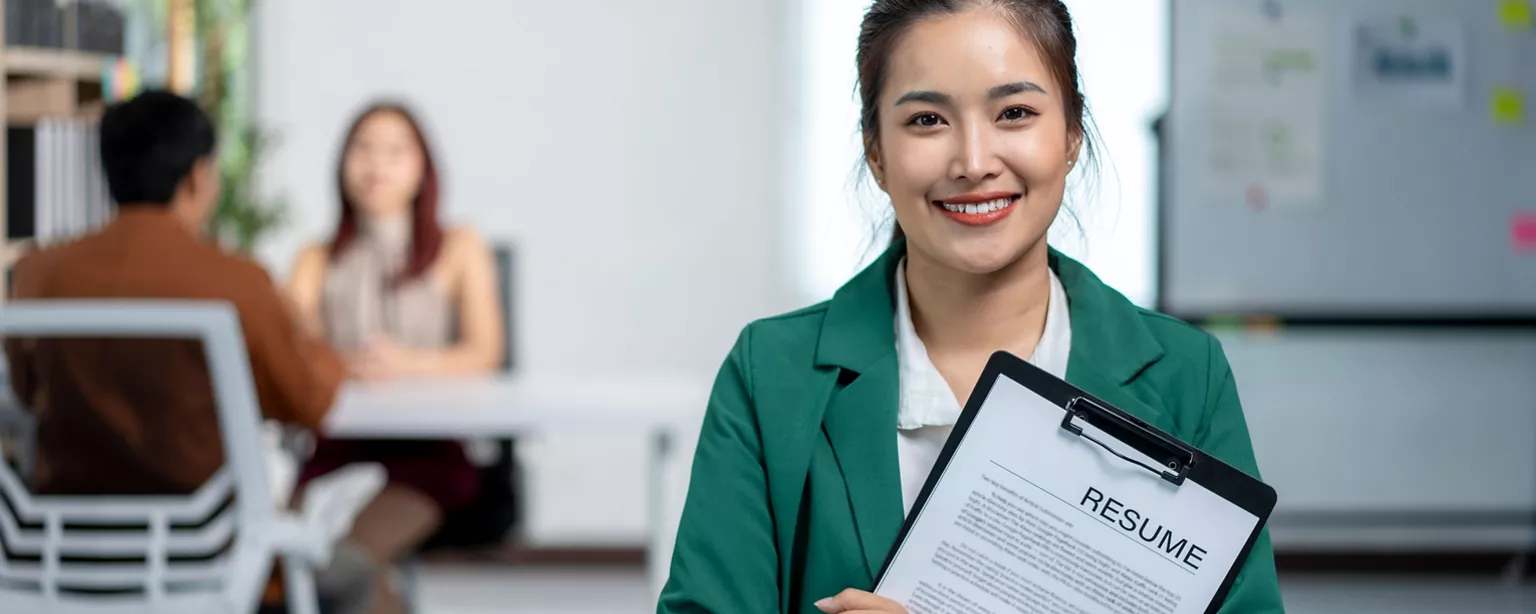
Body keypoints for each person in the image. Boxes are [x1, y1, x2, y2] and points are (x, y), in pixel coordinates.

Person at [657, 2, 1283, 613]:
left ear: (1070, 133)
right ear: (875, 152)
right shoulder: (771, 373)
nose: (974, 163)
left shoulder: (1185, 372)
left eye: (1014, 112)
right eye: (927, 120)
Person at [1, 90, 373, 613]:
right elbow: (309, 404)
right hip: (210, 555)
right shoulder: (236, 282)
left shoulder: (37, 274)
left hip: (63, 555)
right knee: (355, 576)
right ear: (198, 176)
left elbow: (24, 391)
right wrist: (326, 353)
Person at [285, 101, 504, 614]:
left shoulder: (459, 247)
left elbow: (486, 352)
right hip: (336, 457)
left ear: (423, 167)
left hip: (426, 459)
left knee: (346, 560)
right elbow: (291, 350)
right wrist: (345, 364)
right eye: (362, 148)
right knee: (291, 553)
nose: (376, 164)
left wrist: (409, 364)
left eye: (395, 151)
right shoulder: (315, 258)